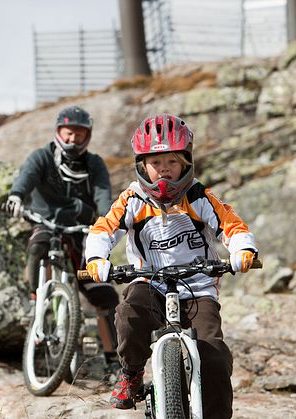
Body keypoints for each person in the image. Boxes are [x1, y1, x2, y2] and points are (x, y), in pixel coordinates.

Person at [84, 114, 257, 417]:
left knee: (213, 355)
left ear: (187, 164)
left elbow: (232, 225)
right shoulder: (132, 199)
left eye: (172, 163)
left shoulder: (200, 196)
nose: (164, 171)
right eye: (156, 164)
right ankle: (132, 373)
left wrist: (243, 251)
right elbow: (104, 230)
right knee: (128, 314)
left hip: (198, 288)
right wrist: (97, 259)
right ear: (142, 166)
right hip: (149, 282)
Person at [5, 105, 121, 372]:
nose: (73, 140)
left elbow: (103, 195)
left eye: (80, 135)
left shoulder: (94, 164)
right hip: (46, 223)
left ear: (88, 136)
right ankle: (35, 299)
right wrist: (16, 195)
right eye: (69, 134)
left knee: (105, 297)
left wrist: (106, 220)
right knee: (38, 245)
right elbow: (26, 177)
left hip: (82, 233)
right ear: (59, 132)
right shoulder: (42, 157)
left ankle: (113, 360)